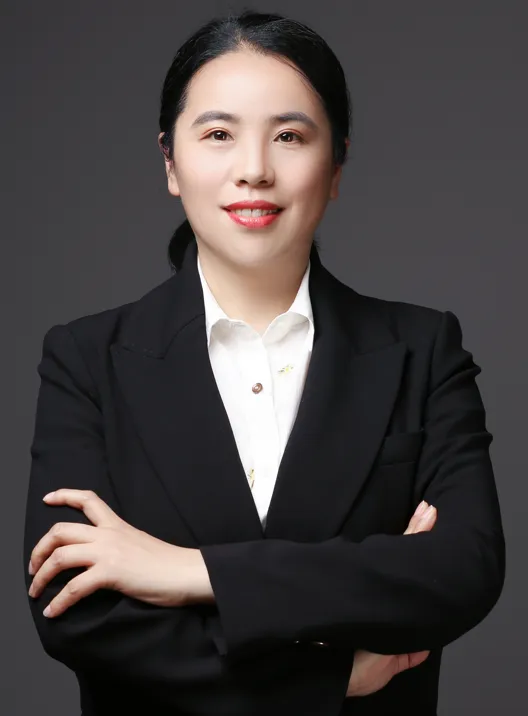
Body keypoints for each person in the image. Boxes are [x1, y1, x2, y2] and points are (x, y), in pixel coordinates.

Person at [23, 10, 505, 716]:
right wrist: (330, 674)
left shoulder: (424, 349)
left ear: (336, 166)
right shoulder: (86, 359)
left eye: (289, 136)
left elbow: (463, 570)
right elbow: (75, 611)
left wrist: (191, 573)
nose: (254, 169)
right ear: (170, 162)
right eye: (218, 134)